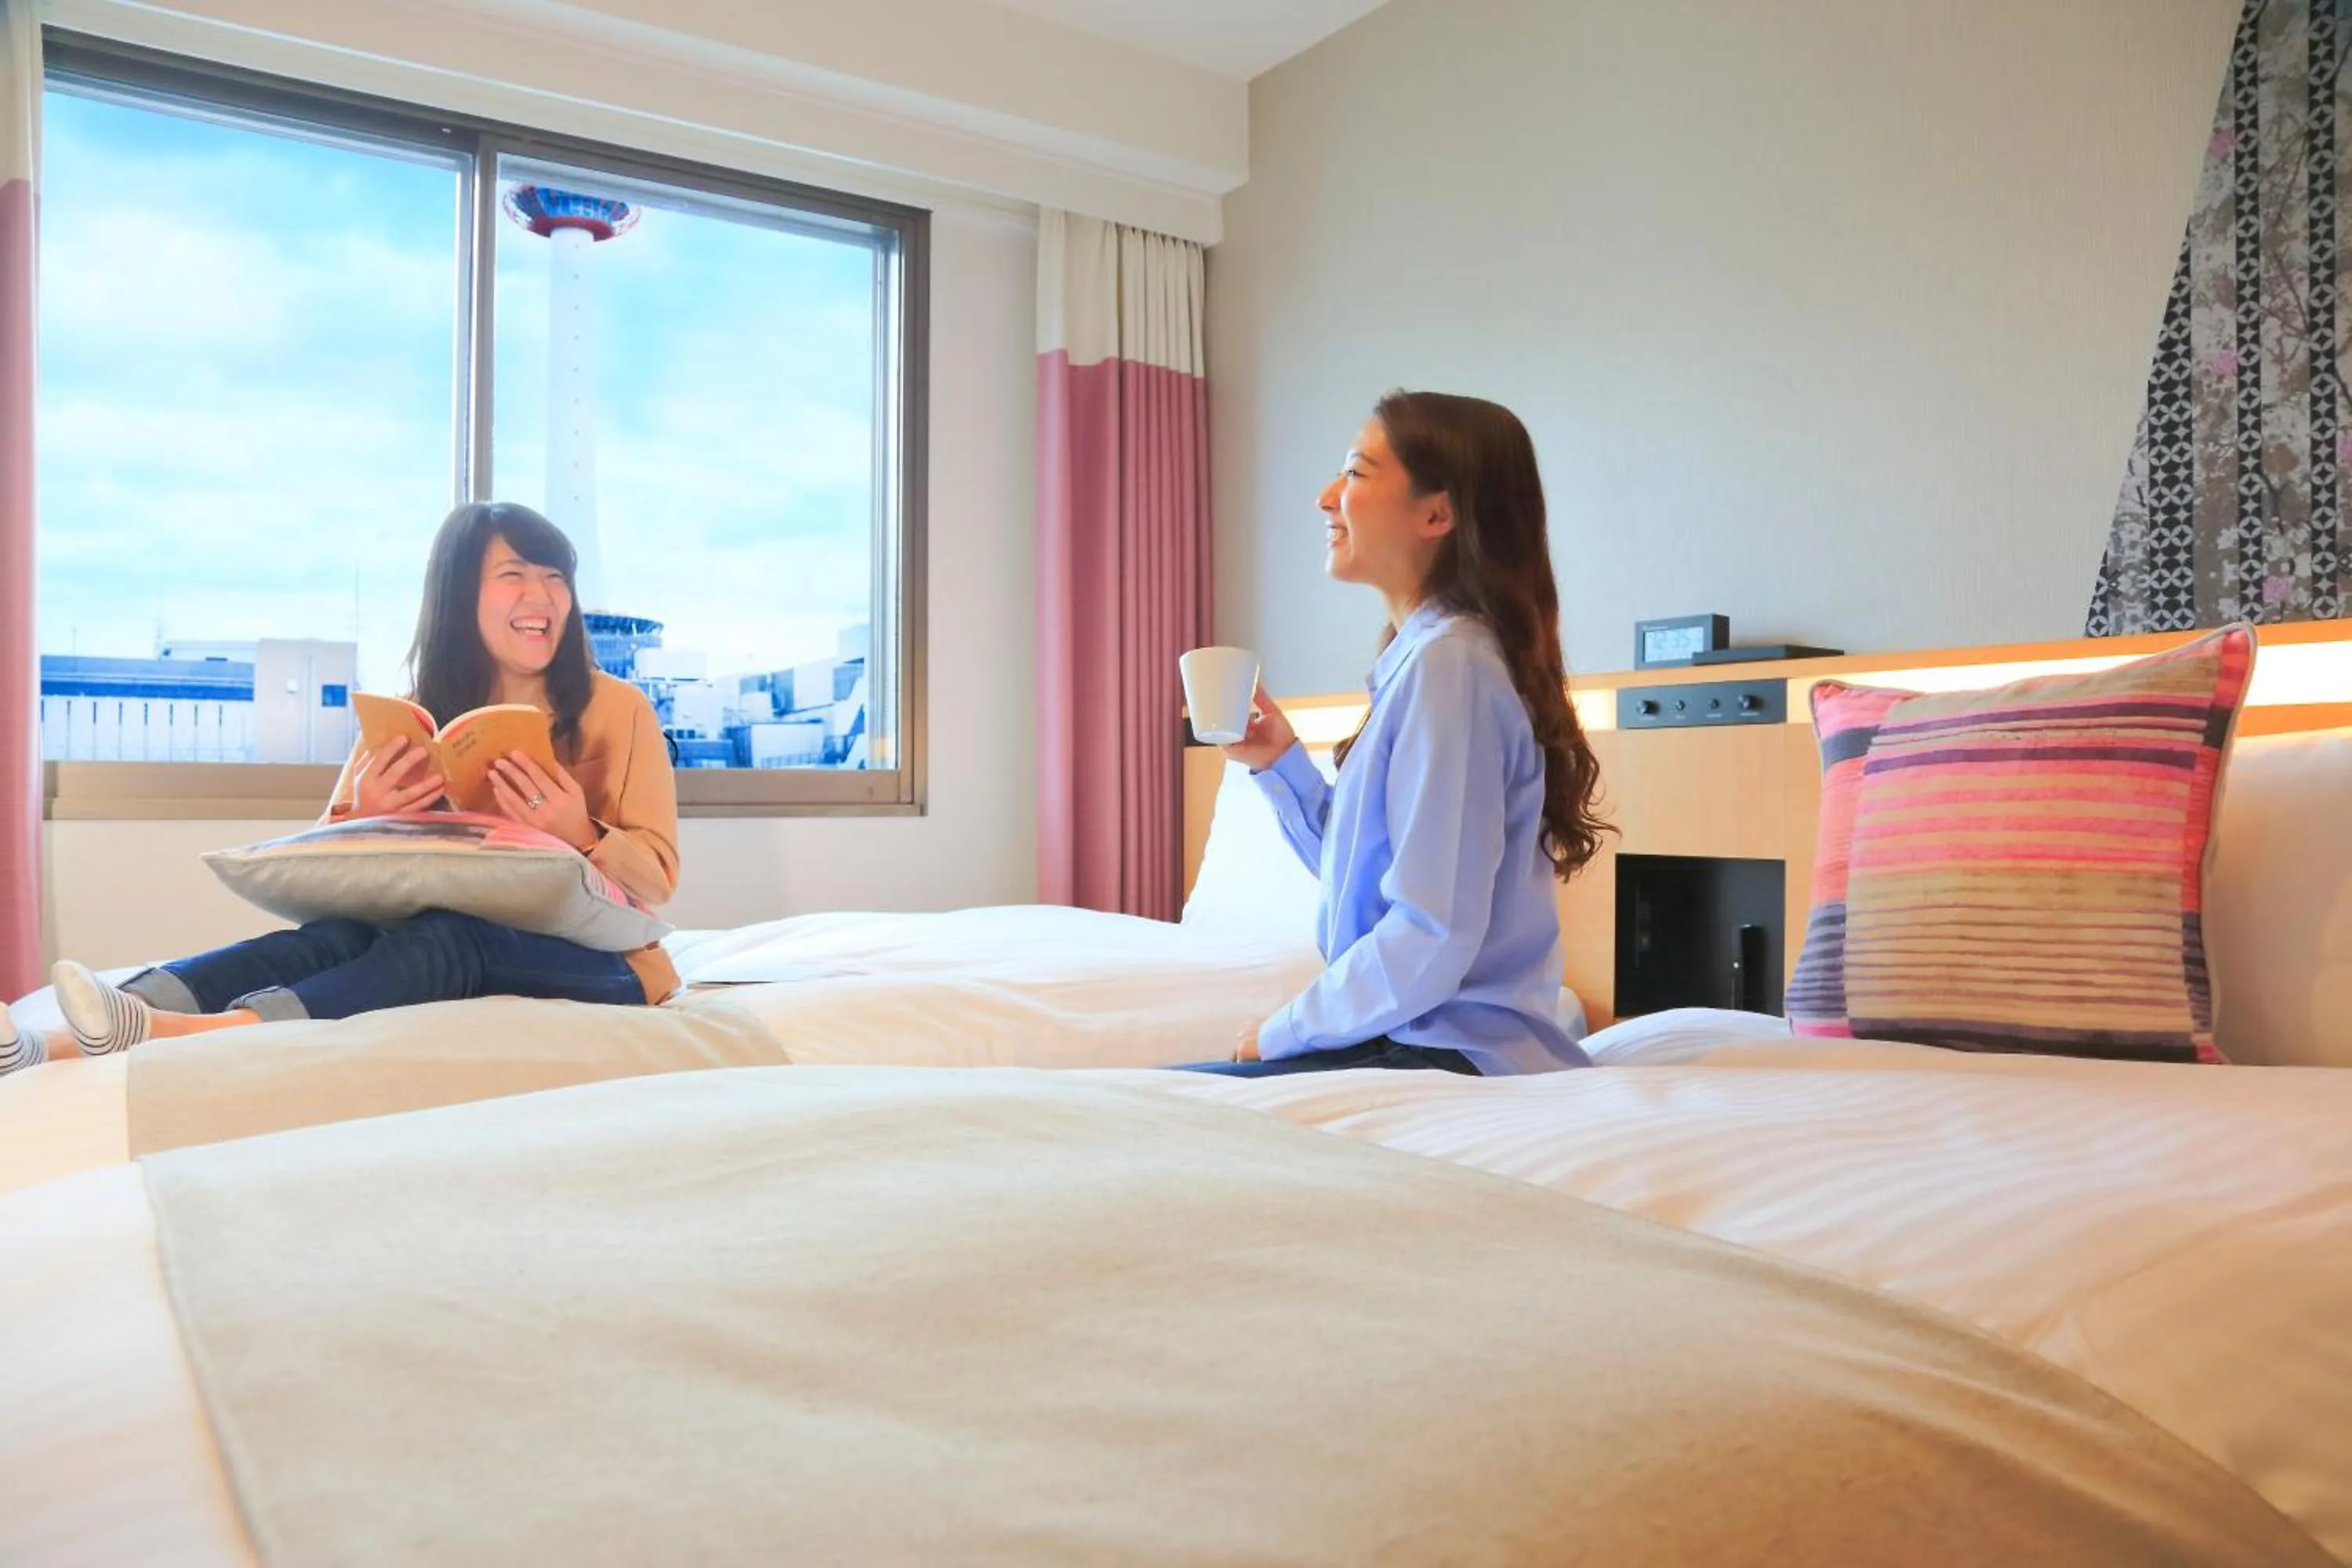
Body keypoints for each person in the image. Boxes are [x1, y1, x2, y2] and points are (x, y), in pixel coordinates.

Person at [1, 502, 680, 1074]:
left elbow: (657, 881)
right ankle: (62, 1040)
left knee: (449, 940)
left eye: (555, 577)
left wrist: (580, 834)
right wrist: (371, 814)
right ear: (459, 596)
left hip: (605, 963)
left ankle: (181, 1035)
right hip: (418, 929)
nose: (541, 597)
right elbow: (324, 868)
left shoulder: (618, 710)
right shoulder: (407, 716)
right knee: (331, 939)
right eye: (514, 576)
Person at [1182, 390, 1606, 1078]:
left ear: (1437, 512)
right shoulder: (1431, 659)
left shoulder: (1453, 665)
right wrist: (1280, 764)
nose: (1327, 498)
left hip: (1443, 1049)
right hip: (1415, 1037)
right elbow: (1376, 883)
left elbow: (1432, 932)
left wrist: (1286, 1029)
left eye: (1354, 473)